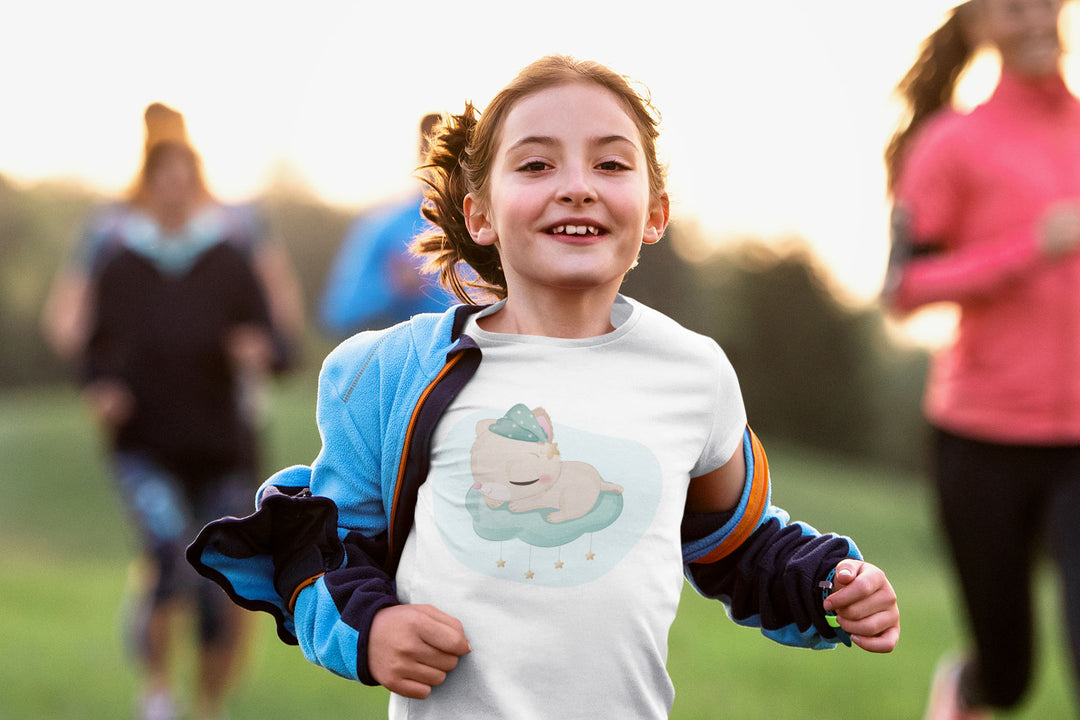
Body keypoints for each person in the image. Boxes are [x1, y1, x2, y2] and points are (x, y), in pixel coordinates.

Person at [189, 55, 900, 719]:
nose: (577, 184)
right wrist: (371, 628)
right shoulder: (395, 372)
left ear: (654, 212)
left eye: (611, 162)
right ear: (480, 214)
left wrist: (825, 585)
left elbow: (735, 547)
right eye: (535, 163)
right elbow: (325, 545)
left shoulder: (695, 374)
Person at [882, 2, 1080, 718]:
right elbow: (902, 287)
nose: (1034, 19)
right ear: (981, 27)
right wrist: (1032, 248)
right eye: (1011, 8)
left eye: (1044, 2)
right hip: (983, 440)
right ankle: (965, 693)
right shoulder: (951, 143)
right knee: (1008, 676)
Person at [76, 103, 287, 720]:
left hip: (224, 443)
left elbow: (277, 345)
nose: (172, 192)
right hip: (145, 443)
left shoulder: (228, 256)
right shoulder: (119, 261)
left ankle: (209, 707)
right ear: (145, 188)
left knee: (219, 578)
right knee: (169, 556)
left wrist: (258, 349)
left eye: (183, 181)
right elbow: (93, 348)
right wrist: (102, 386)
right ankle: (158, 695)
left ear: (198, 187)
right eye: (160, 181)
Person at [41, 104, 304, 370]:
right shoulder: (113, 228)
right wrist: (100, 368)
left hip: (220, 380)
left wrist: (271, 347)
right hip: (140, 383)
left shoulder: (237, 223)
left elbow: (278, 300)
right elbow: (66, 321)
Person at [318, 113, 457, 336]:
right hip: (421, 366)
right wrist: (391, 286)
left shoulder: (495, 227)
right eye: (437, 147)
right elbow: (337, 314)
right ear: (424, 151)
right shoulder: (383, 227)